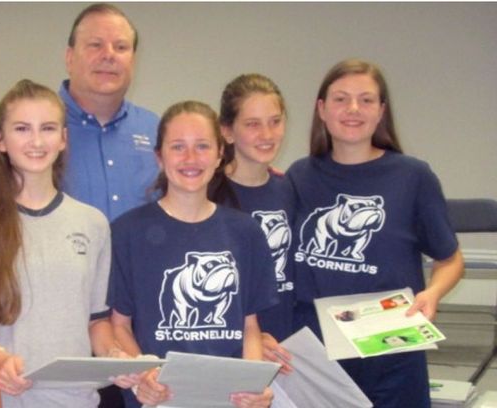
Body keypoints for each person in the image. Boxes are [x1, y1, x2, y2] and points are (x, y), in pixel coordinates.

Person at [287, 58, 464, 407]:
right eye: (340, 99)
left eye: (366, 100)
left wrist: (433, 294)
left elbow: (451, 260)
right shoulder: (298, 177)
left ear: (381, 111)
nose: (353, 109)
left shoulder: (413, 177)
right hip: (314, 351)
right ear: (321, 109)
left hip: (390, 349)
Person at [0, 79, 135, 407]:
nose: (36, 141)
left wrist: (116, 357)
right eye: (22, 129)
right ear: (0, 141)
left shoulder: (92, 223)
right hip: (0, 400)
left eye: (48, 128)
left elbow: (96, 322)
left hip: (75, 401)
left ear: (64, 139)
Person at [108, 101, 278, 408]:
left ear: (218, 155)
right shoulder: (126, 232)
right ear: (159, 157)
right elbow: (118, 324)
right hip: (157, 400)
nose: (190, 158)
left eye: (202, 146)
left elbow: (250, 324)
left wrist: (254, 383)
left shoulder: (246, 232)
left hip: (227, 400)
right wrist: (144, 376)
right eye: (177, 147)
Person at [0, 3, 158, 222]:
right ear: (69, 57)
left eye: (121, 47)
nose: (108, 55)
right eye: (95, 45)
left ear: (133, 60)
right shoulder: (22, 129)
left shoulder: (156, 130)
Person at [208, 74, 296, 372]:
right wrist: (255, 339)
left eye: (275, 121)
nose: (267, 134)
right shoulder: (206, 196)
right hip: (232, 349)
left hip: (286, 348)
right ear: (227, 132)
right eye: (252, 124)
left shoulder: (290, 189)